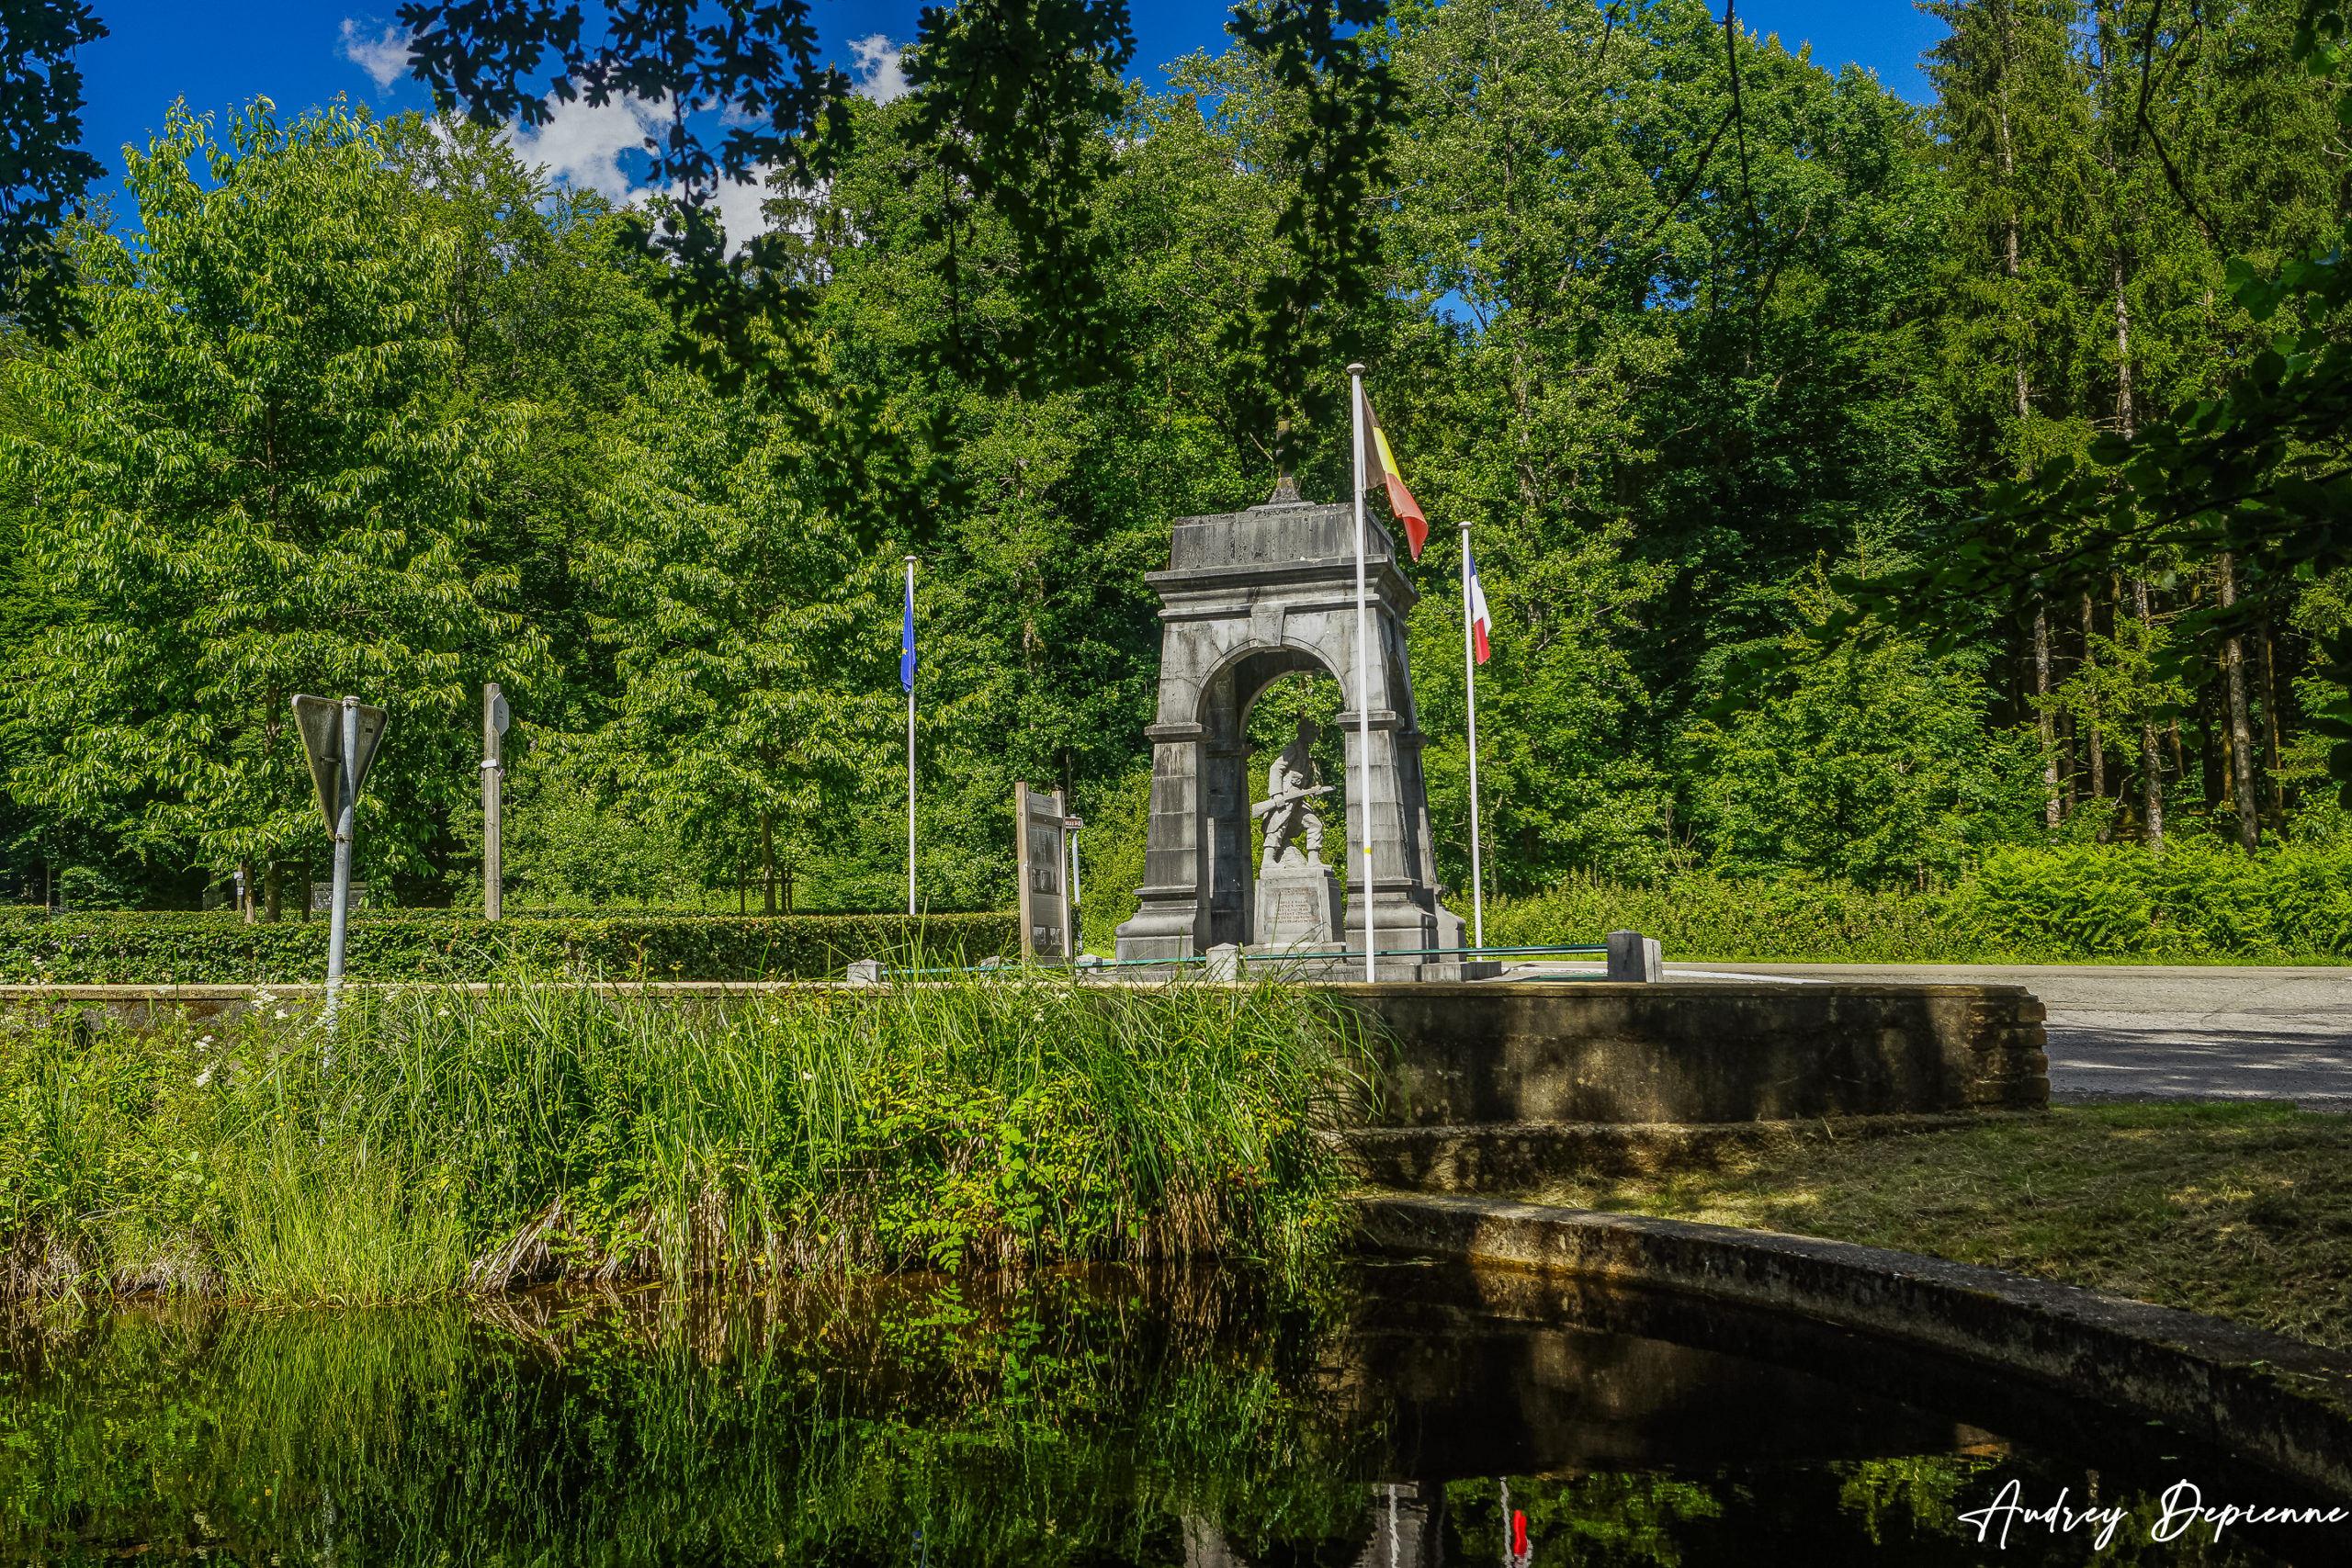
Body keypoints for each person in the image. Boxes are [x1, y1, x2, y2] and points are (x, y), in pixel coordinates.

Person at [1257, 717, 1329, 872]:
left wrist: (1311, 789)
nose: (1314, 736)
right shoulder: (1293, 749)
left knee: (1315, 824)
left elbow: (1301, 778)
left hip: (1298, 799)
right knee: (1277, 825)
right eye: (1312, 733)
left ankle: (1314, 861)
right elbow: (1275, 769)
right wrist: (1276, 794)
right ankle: (1268, 860)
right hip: (1286, 797)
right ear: (1303, 732)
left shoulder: (1306, 752)